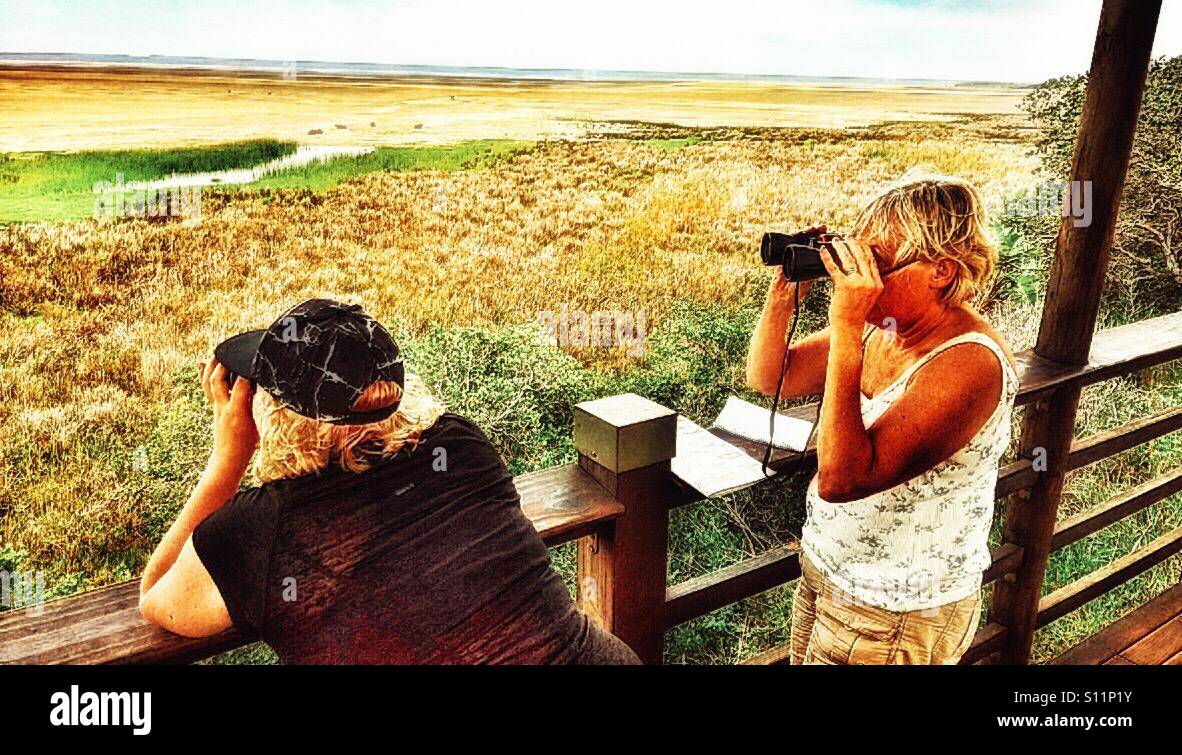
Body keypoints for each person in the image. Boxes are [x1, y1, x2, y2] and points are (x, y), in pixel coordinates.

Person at [139, 298, 640, 665]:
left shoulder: (260, 529)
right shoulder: (460, 447)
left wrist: (227, 458)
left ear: (275, 412)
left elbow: (158, 599)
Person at [746, 174, 1018, 665]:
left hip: (899, 609)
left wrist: (846, 325)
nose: (859, 278)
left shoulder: (970, 362)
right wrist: (783, 294)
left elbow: (842, 478)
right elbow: (772, 377)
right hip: (829, 574)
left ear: (941, 270)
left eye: (877, 264)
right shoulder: (887, 330)